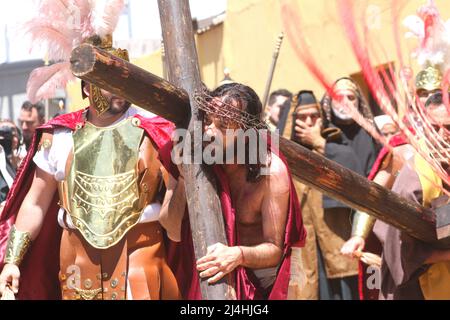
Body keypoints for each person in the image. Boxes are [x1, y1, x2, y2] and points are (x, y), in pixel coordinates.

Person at [0, 34, 180, 300]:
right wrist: (12, 260)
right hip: (76, 263)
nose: (120, 87)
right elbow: (35, 203)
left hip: (140, 257)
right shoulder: (59, 136)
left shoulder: (156, 131)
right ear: (87, 88)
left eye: (124, 79)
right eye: (111, 81)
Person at [159, 83, 306, 300]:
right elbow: (171, 228)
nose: (209, 131)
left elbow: (275, 250)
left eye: (224, 125)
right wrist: (183, 178)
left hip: (261, 278)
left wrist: (237, 254)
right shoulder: (191, 154)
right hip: (207, 269)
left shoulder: (270, 173)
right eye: (207, 121)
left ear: (247, 134)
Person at [289, 90, 368, 299]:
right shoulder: (284, 155)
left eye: (314, 116)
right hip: (305, 247)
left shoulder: (335, 145)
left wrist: (319, 143)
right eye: (302, 117)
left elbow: (354, 178)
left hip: (336, 242)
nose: (308, 121)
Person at [373, 92, 450, 299]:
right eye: (435, 128)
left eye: (449, 128)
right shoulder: (414, 179)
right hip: (415, 286)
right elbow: (399, 249)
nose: (443, 136)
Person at [318, 77, 379, 300]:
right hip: (331, 225)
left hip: (367, 222)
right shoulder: (321, 131)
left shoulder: (370, 132)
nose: (344, 101)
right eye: (338, 97)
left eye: (350, 97)